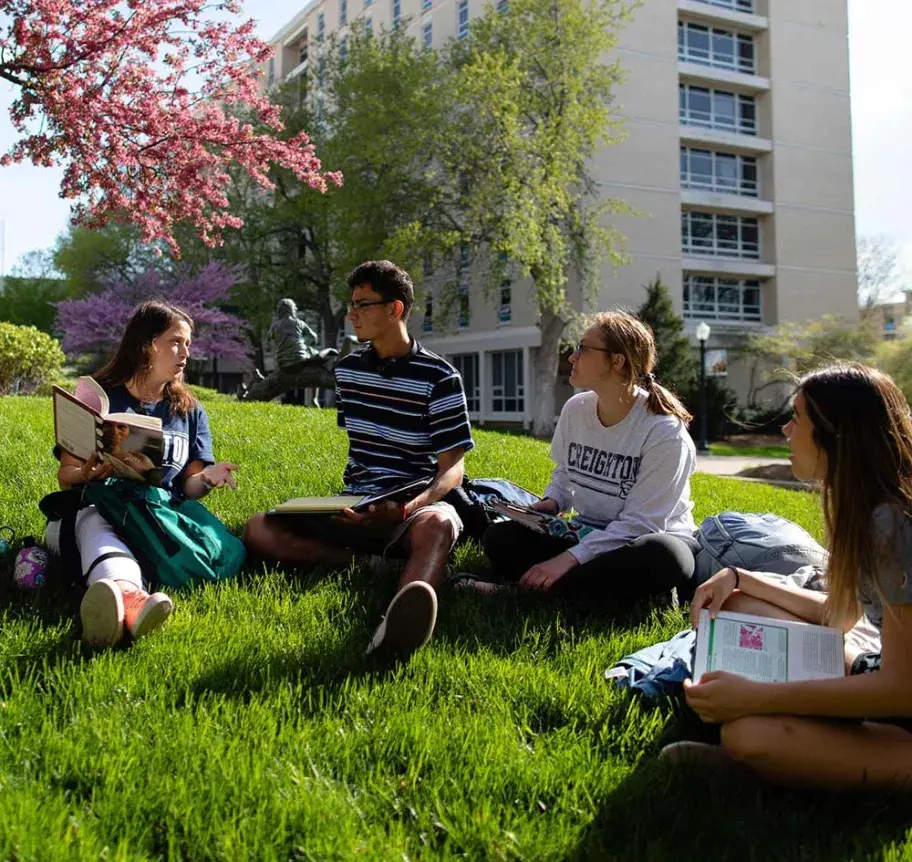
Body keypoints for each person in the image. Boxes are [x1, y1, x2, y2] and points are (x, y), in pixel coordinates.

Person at [667, 364, 912, 788]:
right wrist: (740, 578)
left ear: (835, 437)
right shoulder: (861, 507)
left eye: (797, 418)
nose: (785, 430)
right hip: (883, 675)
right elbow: (839, 617)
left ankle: (784, 764)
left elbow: (900, 689)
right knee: (736, 606)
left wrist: (757, 697)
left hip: (899, 698)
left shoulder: (895, 526)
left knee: (749, 736)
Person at [244, 260, 474, 658]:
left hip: (415, 504)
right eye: (352, 304)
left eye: (363, 304)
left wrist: (406, 509)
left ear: (395, 309)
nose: (352, 314)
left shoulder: (440, 377)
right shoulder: (348, 372)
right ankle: (372, 565)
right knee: (257, 528)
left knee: (438, 526)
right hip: (357, 502)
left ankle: (398, 629)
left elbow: (453, 469)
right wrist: (354, 505)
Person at [48, 301, 239, 646]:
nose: (186, 353)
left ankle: (119, 604)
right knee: (96, 521)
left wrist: (208, 478)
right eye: (176, 342)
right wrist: (87, 474)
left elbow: (189, 487)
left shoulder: (189, 411)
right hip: (90, 511)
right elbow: (66, 475)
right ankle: (132, 601)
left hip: (153, 517)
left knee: (129, 534)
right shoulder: (100, 398)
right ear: (147, 344)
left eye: (188, 344)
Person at [475, 310, 698, 605]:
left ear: (617, 361)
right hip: (585, 532)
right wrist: (553, 501)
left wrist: (568, 559)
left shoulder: (664, 432)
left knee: (664, 557)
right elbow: (564, 474)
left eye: (583, 348)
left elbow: (642, 524)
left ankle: (523, 591)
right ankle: (599, 592)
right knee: (500, 537)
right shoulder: (575, 409)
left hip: (643, 540)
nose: (572, 357)